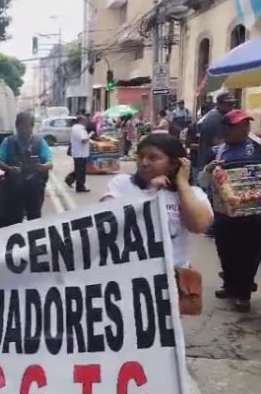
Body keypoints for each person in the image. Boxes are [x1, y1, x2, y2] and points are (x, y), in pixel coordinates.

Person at [102, 133, 212, 266]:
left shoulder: (192, 194)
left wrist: (182, 184)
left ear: (173, 163)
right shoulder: (122, 184)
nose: (144, 163)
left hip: (174, 277)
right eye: (141, 156)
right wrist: (149, 194)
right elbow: (104, 220)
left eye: (153, 158)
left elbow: (199, 226)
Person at [199, 110, 261, 312]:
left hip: (253, 213)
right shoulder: (216, 152)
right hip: (224, 214)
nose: (244, 129)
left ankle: (243, 292)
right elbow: (202, 182)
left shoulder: (257, 148)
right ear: (226, 130)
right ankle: (230, 284)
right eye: (238, 126)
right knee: (226, 251)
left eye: (246, 125)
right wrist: (209, 170)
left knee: (250, 252)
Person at [0, 111, 52, 223]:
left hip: (34, 186)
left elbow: (49, 163)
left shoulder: (39, 142)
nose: (24, 131)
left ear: (32, 127)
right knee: (14, 218)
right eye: (21, 128)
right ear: (17, 127)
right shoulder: (8, 142)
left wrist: (39, 167)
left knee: (35, 218)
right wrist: (9, 169)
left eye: (27, 127)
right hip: (13, 186)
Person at [197, 92, 236, 171]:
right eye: (229, 104)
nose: (232, 107)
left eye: (233, 104)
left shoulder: (219, 115)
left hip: (212, 161)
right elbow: (219, 142)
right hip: (210, 163)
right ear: (219, 104)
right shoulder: (215, 118)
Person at [69, 114, 92, 192]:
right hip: (81, 153)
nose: (86, 122)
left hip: (76, 151)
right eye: (85, 120)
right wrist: (90, 135)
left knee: (78, 169)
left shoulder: (74, 128)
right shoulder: (81, 129)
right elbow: (84, 140)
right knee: (81, 171)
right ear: (81, 121)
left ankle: (70, 180)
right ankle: (80, 187)